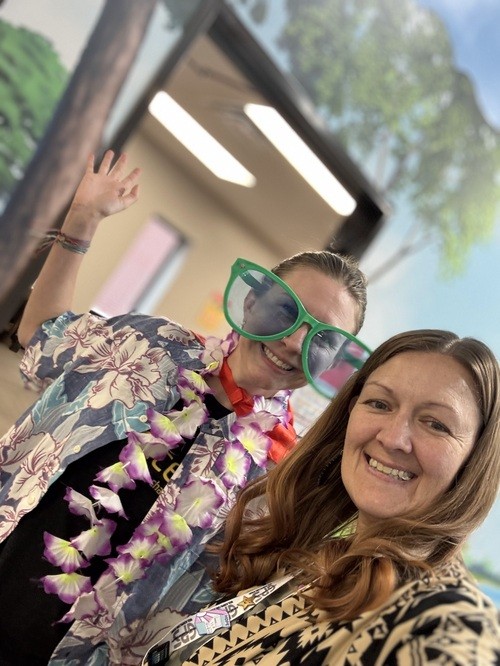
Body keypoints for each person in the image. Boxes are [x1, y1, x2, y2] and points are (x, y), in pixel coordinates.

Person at [0, 150, 370, 665]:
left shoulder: (277, 478)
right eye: (286, 311)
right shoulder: (150, 345)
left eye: (321, 338)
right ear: (252, 301)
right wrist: (82, 220)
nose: (292, 342)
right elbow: (41, 335)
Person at [142, 329, 500, 666]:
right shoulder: (316, 564)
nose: (393, 439)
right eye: (379, 403)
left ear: (476, 457)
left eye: (435, 424)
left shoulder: (448, 621)